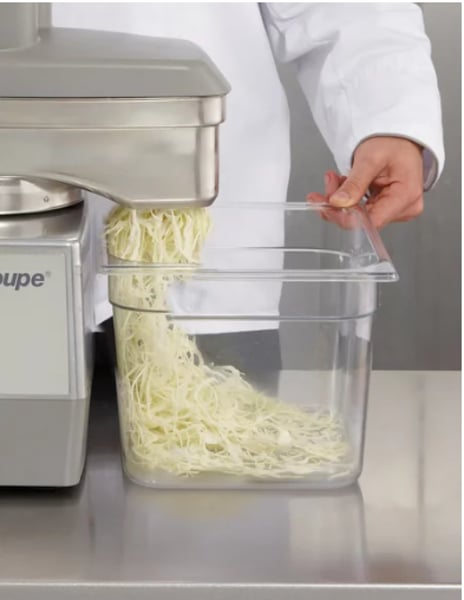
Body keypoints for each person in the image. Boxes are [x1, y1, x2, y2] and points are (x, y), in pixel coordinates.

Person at [51, 3, 444, 371]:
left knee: (215, 416)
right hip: (26, 257)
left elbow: (349, 9)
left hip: (207, 281)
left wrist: (388, 116)